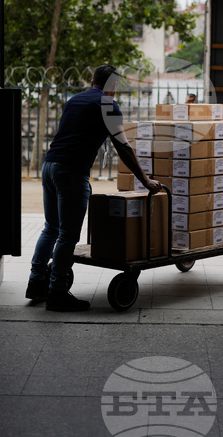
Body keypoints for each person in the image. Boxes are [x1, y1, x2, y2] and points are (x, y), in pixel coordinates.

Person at [27, 65, 160, 311]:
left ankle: (36, 282)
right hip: (71, 171)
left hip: (50, 165)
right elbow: (124, 147)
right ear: (113, 86)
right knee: (68, 234)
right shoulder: (107, 105)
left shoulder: (73, 101)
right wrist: (145, 180)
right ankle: (57, 293)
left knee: (51, 228)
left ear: (92, 80)